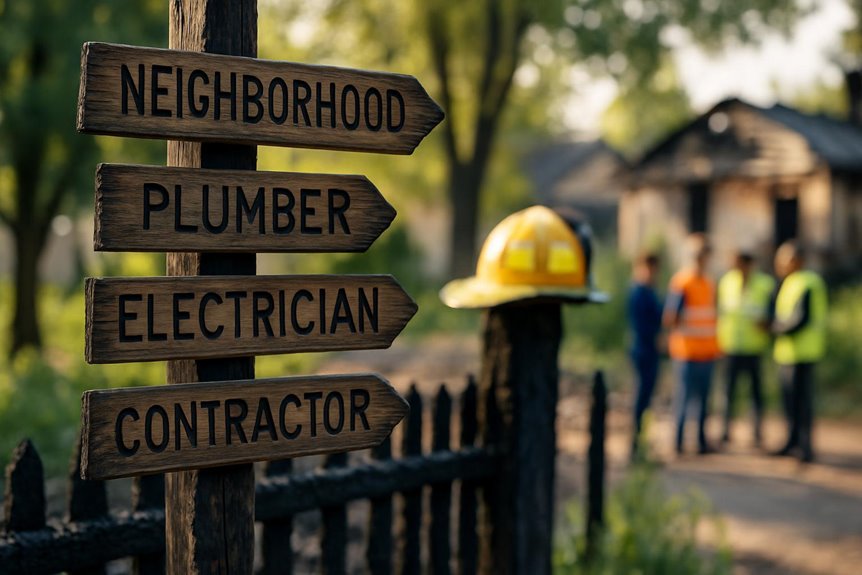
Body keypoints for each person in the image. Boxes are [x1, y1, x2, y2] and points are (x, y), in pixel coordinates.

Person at [771, 241, 827, 463]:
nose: (780, 264)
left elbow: (801, 319)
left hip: (804, 353)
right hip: (788, 353)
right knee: (789, 402)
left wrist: (775, 328)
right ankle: (792, 441)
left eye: (784, 259)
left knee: (802, 402)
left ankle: (805, 446)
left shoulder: (808, 283)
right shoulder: (790, 282)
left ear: (796, 260)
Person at [664, 234, 720, 455]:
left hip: (706, 352)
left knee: (703, 402)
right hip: (687, 352)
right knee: (683, 399)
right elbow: (671, 317)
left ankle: (701, 442)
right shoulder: (682, 282)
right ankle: (677, 442)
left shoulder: (709, 283)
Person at [717, 251, 775, 446]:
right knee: (728, 391)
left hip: (754, 347)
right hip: (731, 346)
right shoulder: (727, 282)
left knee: (755, 393)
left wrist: (767, 326)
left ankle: (757, 431)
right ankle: (725, 429)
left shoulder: (764, 284)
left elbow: (771, 313)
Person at [627, 252, 663, 457]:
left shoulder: (649, 291)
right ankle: (636, 443)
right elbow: (643, 326)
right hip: (643, 351)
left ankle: (642, 441)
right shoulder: (638, 292)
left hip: (650, 351)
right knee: (641, 397)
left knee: (647, 398)